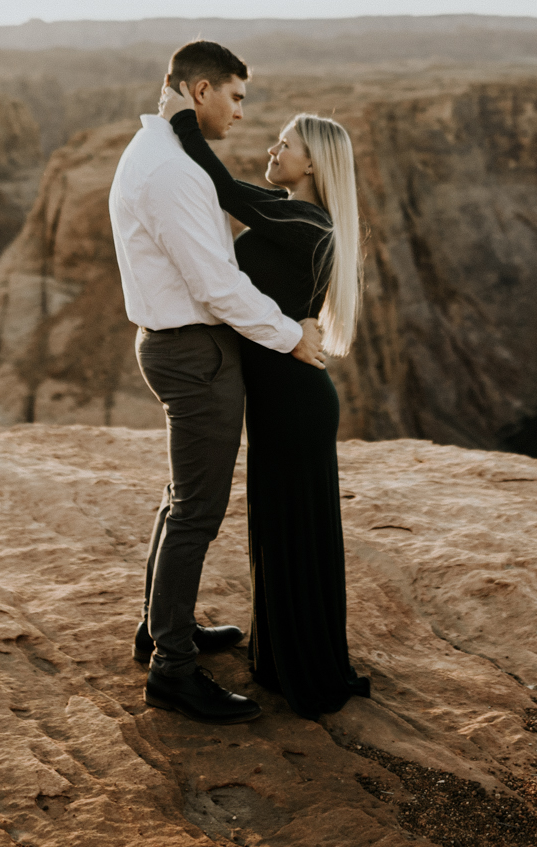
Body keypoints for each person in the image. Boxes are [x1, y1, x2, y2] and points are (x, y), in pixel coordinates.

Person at [109, 40, 328, 726]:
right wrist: (297, 337)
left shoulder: (155, 151)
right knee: (198, 511)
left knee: (182, 499)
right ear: (199, 90)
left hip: (175, 342)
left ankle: (161, 629)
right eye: (236, 96)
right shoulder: (172, 173)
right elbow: (218, 285)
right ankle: (173, 670)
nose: (242, 112)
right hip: (193, 352)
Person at [160, 80, 373, 719]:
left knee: (293, 527)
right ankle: (291, 655)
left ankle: (305, 665)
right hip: (285, 395)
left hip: (294, 400)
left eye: (286, 145)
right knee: (285, 526)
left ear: (312, 165)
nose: (273, 151)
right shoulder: (300, 218)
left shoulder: (304, 218)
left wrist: (182, 122)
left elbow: (224, 188)